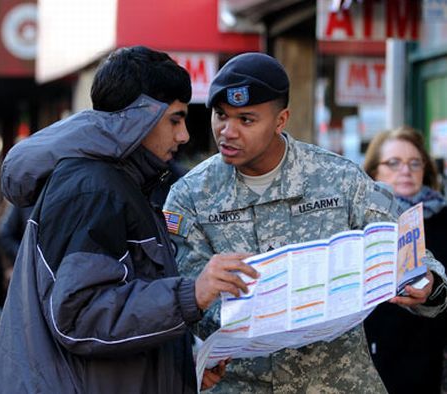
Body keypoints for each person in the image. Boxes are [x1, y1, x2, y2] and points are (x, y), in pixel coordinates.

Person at [163, 52, 447, 393]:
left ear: (281, 120)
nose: (228, 131)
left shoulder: (338, 178)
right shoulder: (190, 197)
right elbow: (181, 297)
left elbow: (402, 245)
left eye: (247, 120)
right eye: (221, 116)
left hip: (337, 382)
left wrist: (427, 281)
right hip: (239, 384)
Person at [0, 46, 259, 394]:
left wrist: (183, 369)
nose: (184, 136)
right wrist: (191, 294)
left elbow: (122, 320)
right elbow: (80, 317)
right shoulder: (91, 188)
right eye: (175, 120)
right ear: (138, 118)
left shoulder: (122, 183)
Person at [363, 126, 447, 394]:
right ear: (374, 171)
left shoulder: (443, 218)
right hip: (372, 355)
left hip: (431, 355)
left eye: (414, 163)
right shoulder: (358, 221)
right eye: (394, 163)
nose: (406, 170)